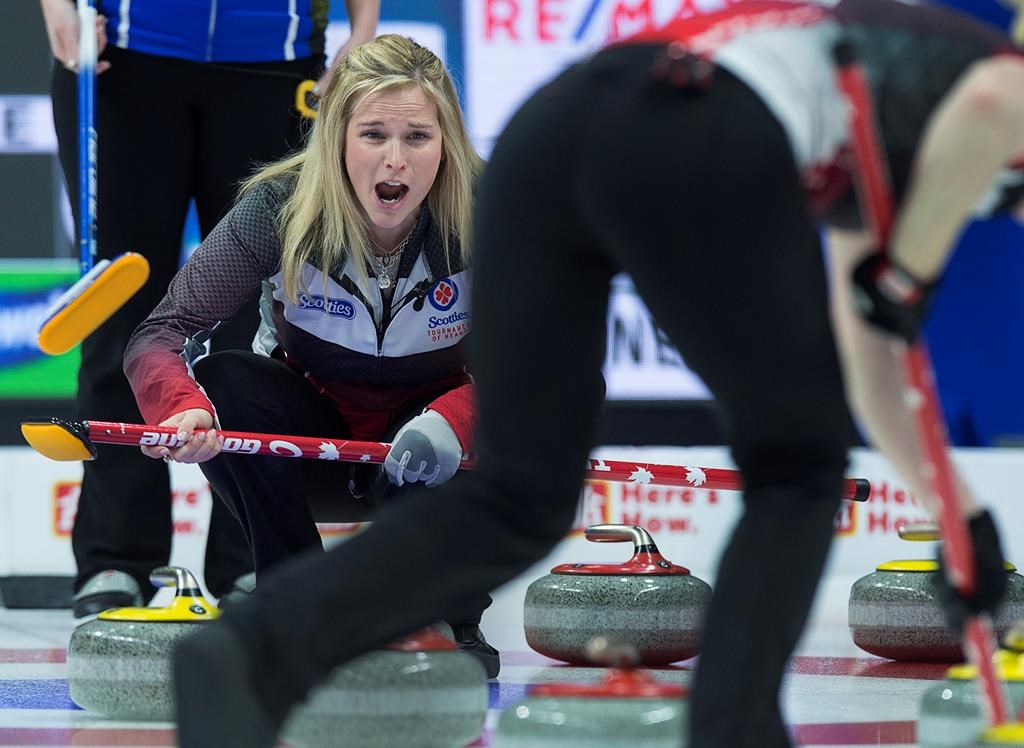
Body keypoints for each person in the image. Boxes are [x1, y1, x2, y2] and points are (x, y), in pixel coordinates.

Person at [167, 1, 1024, 746]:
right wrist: (908, 275)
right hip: (691, 127)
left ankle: (251, 653)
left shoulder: (870, 125)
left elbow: (874, 363)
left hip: (555, 133)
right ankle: (734, 733)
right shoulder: (994, 77)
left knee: (523, 497)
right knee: (796, 468)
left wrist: (965, 519)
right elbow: (991, 107)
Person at [121, 33, 499, 677]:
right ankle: (295, 599)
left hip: (432, 454)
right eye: (374, 134)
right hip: (313, 451)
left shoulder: (491, 213)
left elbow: (547, 366)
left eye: (418, 138)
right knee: (225, 378)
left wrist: (454, 421)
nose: (395, 163)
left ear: (448, 142)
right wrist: (183, 410)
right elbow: (159, 335)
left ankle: (446, 609)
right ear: (336, 139)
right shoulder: (279, 207)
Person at [38, 0, 379, 616]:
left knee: (258, 322)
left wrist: (363, 28)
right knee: (120, 309)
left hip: (275, 60)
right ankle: (117, 557)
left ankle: (249, 558)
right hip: (124, 53)